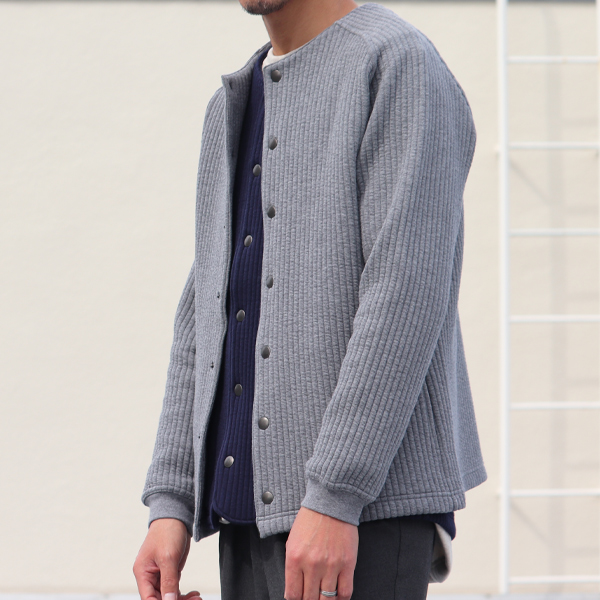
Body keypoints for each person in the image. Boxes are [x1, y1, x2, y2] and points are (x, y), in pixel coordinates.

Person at [133, 0, 487, 599]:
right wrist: (171, 501)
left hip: (355, 523)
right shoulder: (232, 104)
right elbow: (205, 310)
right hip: (244, 518)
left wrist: (334, 496)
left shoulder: (397, 64)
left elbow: (405, 295)